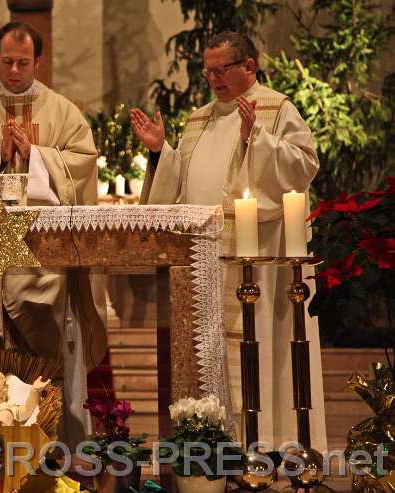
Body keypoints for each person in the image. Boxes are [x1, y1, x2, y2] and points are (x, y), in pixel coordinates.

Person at [131, 32, 326, 451]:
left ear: (249, 66)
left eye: (222, 69)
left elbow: (304, 165)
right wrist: (160, 152)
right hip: (204, 262)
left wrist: (257, 138)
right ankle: (216, 446)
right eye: (208, 71)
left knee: (259, 347)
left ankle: (269, 443)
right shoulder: (199, 119)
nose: (213, 79)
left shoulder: (276, 109)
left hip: (257, 258)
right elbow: (180, 184)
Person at [0, 22, 107, 445]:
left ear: (38, 61)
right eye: (7, 61)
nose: (14, 70)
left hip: (46, 263)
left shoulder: (63, 112)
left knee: (45, 354)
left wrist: (36, 156)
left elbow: (85, 162)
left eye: (23, 62)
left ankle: (52, 448)